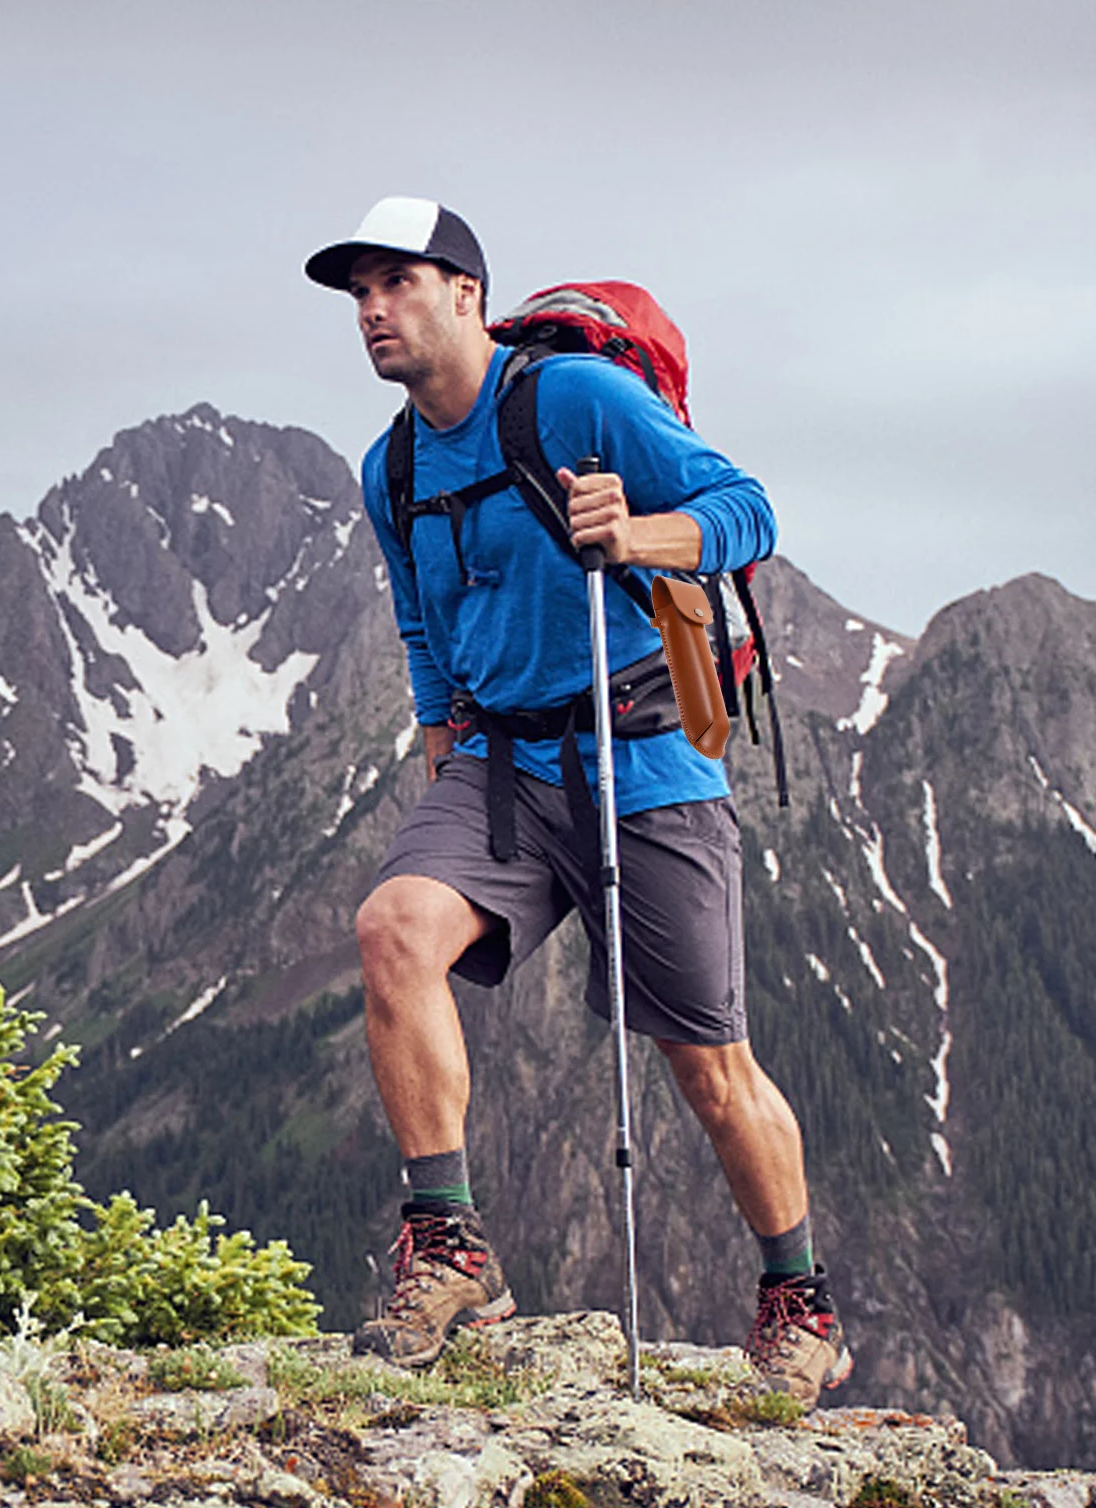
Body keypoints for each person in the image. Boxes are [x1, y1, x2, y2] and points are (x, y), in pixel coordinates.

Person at [304, 196, 852, 1407]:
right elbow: (418, 615)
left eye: (395, 283)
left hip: (643, 763)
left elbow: (746, 510)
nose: (372, 311)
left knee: (708, 1069)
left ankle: (799, 1301)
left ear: (464, 295)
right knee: (393, 928)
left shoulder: (576, 401)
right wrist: (440, 731)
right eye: (357, 294)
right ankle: (449, 1248)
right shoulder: (387, 465)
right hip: (500, 770)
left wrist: (643, 529)